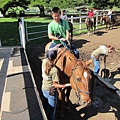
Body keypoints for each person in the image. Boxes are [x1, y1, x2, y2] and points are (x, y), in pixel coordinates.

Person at [42, 50, 71, 120]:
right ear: (55, 58)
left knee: (45, 106)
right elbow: (55, 85)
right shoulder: (54, 70)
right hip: (51, 91)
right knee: (52, 111)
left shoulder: (44, 62)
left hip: (43, 88)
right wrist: (67, 84)